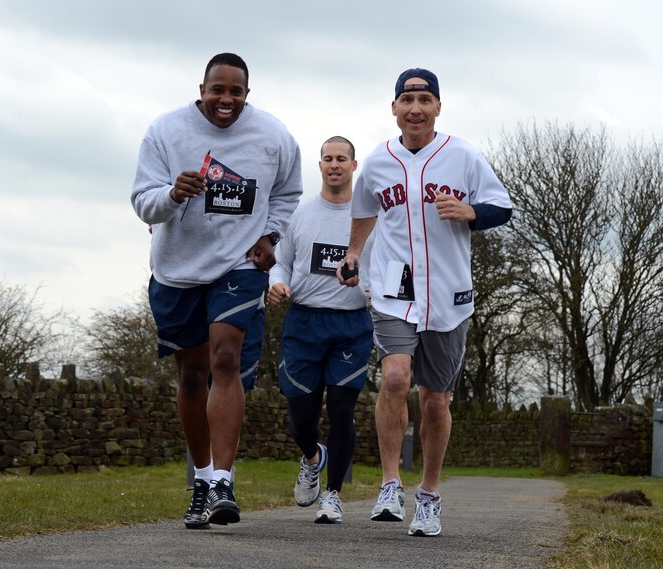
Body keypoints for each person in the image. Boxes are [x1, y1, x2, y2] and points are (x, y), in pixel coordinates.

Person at [338, 68, 512, 536]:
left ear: (438, 107)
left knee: (435, 401)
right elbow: (363, 214)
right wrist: (354, 253)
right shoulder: (377, 162)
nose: (415, 107)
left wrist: (472, 211)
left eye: (425, 98)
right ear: (393, 107)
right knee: (395, 375)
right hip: (396, 288)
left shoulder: (463, 156)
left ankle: (429, 494)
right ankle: (390, 483)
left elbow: (503, 206)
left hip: (449, 295)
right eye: (407, 98)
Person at [131, 53, 302, 529]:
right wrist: (171, 194)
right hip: (178, 269)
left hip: (239, 264)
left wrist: (270, 236)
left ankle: (224, 482)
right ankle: (202, 480)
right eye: (217, 90)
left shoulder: (273, 136)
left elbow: (289, 194)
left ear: (248, 93)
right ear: (201, 88)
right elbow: (142, 202)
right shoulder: (165, 131)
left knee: (225, 359)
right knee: (191, 375)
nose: (226, 100)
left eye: (236, 92)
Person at [268, 136, 373, 525]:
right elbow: (281, 262)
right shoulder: (301, 213)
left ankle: (333, 496)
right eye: (328, 158)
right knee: (302, 420)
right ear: (320, 165)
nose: (334, 165)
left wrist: (371, 287)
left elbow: (384, 265)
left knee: (342, 411)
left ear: (353, 165)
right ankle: (312, 457)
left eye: (341, 159)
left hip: (351, 325)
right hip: (304, 321)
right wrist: (275, 283)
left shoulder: (368, 216)